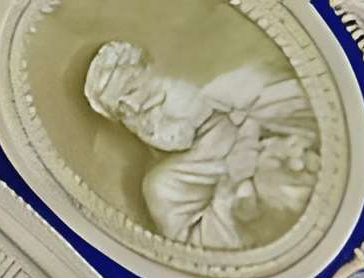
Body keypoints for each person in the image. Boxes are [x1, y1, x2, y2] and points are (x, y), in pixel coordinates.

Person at [82, 38, 320, 253]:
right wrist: (232, 186)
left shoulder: (252, 90)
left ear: (156, 70)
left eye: (132, 88)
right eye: (122, 110)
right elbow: (210, 258)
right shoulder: (166, 188)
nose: (135, 107)